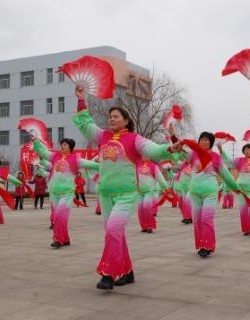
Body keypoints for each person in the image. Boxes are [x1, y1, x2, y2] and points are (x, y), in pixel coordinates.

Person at [73, 85, 176, 290]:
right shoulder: (103, 136)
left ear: (126, 121)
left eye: (116, 116)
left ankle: (108, 275)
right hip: (105, 193)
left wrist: (171, 147)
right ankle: (128, 273)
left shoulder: (134, 139)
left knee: (112, 229)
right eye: (110, 116)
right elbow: (85, 124)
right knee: (115, 233)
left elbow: (154, 150)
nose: (111, 119)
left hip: (127, 195)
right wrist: (81, 99)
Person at [177, 131, 241, 258]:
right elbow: (181, 152)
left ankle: (207, 246)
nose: (204, 142)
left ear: (211, 142)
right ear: (199, 141)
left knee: (206, 218)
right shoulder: (194, 154)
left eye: (207, 140)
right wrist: (174, 137)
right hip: (195, 192)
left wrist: (236, 188)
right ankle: (201, 245)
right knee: (197, 221)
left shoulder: (216, 157)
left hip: (210, 192)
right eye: (202, 139)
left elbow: (226, 175)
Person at [32, 137, 99, 248]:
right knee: (60, 216)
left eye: (65, 145)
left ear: (70, 147)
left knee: (59, 215)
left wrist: (106, 166)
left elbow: (91, 165)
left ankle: (58, 240)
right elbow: (43, 152)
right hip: (54, 192)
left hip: (67, 192)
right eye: (62, 144)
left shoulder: (75, 159)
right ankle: (66, 239)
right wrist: (36, 141)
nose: (62, 146)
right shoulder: (55, 156)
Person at [219, 143, 250, 237]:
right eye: (245, 149)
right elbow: (229, 162)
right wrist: (222, 151)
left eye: (249, 149)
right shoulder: (239, 160)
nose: (247, 151)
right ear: (243, 151)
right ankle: (247, 229)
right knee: (243, 210)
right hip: (242, 190)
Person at [0, 158, 22, 225]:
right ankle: (0, 220)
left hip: (0, 191)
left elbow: (10, 177)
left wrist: (19, 182)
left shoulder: (2, 171)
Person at [137, 157, 168, 233]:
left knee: (146, 207)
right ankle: (144, 226)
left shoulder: (154, 166)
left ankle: (150, 225)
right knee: (140, 209)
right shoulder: (136, 164)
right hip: (139, 191)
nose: (144, 155)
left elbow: (159, 177)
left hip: (149, 191)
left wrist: (165, 186)